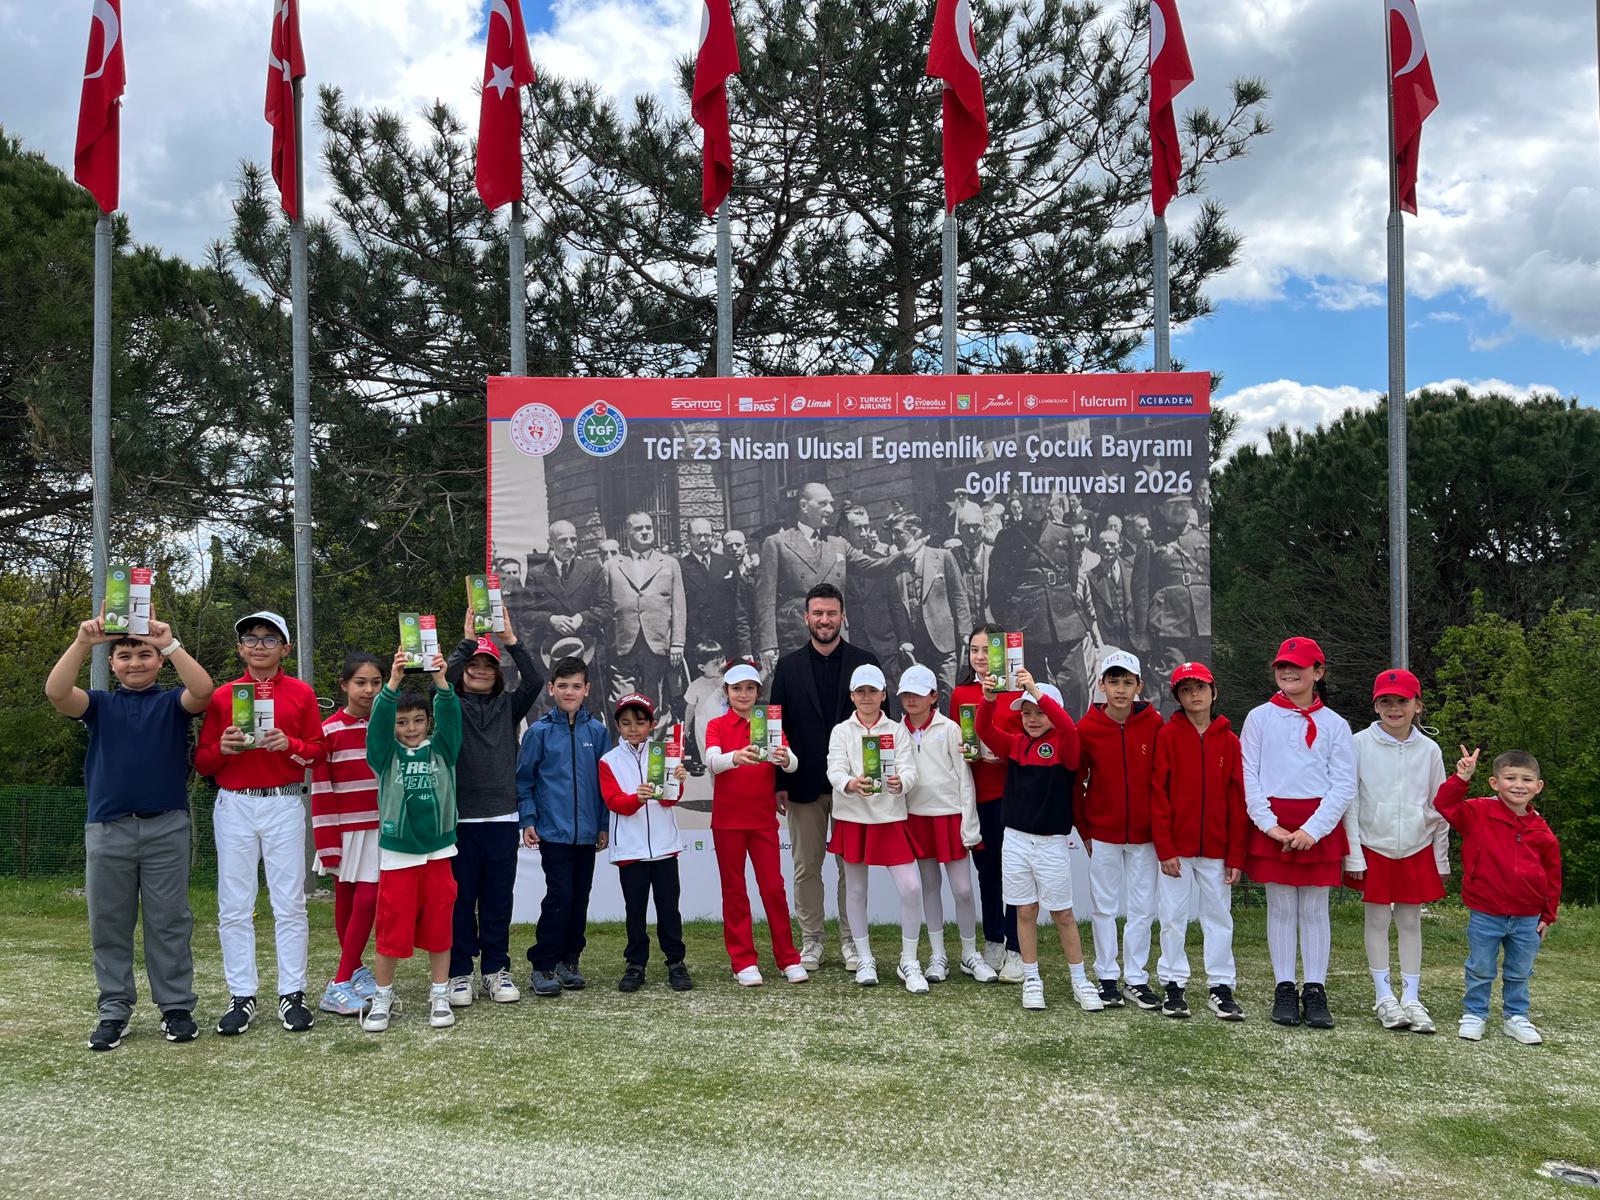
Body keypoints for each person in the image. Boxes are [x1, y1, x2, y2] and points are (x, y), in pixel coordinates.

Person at [46, 604, 214, 1050]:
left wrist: (170, 642)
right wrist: (84, 642)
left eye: (144, 655)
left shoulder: (171, 703)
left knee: (169, 923)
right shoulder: (99, 705)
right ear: (112, 664)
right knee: (109, 924)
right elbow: (57, 692)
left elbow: (203, 691)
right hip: (108, 829)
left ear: (159, 661)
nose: (135, 663)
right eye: (124, 656)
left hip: (166, 829)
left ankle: (176, 1007)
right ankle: (114, 1010)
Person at [194, 611, 325, 1037]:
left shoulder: (301, 693)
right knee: (234, 905)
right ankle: (242, 995)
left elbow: (316, 754)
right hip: (235, 804)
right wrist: (224, 749)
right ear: (240, 649)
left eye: (270, 639)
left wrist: (291, 745)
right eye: (250, 638)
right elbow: (204, 762)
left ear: (286, 648)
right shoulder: (224, 696)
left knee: (290, 903)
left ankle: (292, 993)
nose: (259, 646)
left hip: (284, 802)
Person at [1240, 636, 1356, 1030]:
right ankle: (1285, 987)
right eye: (1282, 666)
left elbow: (1344, 785)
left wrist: (1313, 830)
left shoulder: (1335, 724)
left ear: (1318, 672)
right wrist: (1268, 824)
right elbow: (1249, 776)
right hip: (1273, 823)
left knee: (1314, 909)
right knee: (1281, 907)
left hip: (1317, 824)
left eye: (1298, 666)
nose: (1288, 672)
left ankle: (1316, 990)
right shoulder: (1259, 717)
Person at [976, 667, 1103, 1013]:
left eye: (1040, 712)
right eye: (1027, 713)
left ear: (1053, 711)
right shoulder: (1015, 744)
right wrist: (988, 699)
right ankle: (1032, 978)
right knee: (1025, 910)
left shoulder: (1066, 746)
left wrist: (1036, 691)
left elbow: (1069, 729)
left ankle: (1080, 980)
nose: (1032, 719)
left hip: (1051, 843)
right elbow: (984, 730)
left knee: (1063, 914)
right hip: (1016, 841)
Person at [768, 583, 882, 970]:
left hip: (854, 785)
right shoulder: (788, 666)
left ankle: (852, 940)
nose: (824, 620)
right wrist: (779, 782)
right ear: (806, 618)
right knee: (806, 868)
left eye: (831, 613)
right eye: (817, 613)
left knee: (852, 868)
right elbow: (777, 729)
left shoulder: (866, 663)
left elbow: (883, 723)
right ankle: (812, 941)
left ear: (842, 617)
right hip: (803, 785)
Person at [358, 648, 462, 1032]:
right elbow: (377, 727)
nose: (412, 728)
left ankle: (440, 994)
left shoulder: (443, 750)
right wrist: (393, 683)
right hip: (398, 855)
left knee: (439, 928)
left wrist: (440, 680)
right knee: (391, 930)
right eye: (403, 722)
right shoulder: (384, 755)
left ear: (429, 722)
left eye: (419, 720)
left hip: (439, 853)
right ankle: (383, 997)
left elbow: (451, 718)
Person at [443, 609, 543, 1009]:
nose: (481, 670)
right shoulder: (449, 704)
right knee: (460, 899)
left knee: (497, 899)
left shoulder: (507, 706)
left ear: (497, 672)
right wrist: (468, 640)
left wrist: (510, 639)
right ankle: (459, 971)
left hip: (503, 817)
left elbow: (534, 681)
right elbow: (443, 681)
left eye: (488, 664)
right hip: (460, 818)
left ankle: (496, 968)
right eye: (474, 664)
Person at [1343, 668, 1449, 1034]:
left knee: (1410, 921)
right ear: (1375, 706)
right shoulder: (1358, 743)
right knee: (1376, 920)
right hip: (1374, 845)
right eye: (1385, 701)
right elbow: (1351, 802)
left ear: (1418, 705)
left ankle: (1412, 998)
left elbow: (1440, 806)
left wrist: (1440, 857)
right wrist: (1353, 853)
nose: (1394, 708)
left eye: (1402, 701)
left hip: (1416, 847)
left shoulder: (1430, 750)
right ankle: (1384, 997)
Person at [1434, 747, 1562, 1045]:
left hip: (1528, 916)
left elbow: (1552, 876)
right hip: (1486, 911)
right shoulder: (1478, 812)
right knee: (1480, 967)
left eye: (1526, 779)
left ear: (1538, 786)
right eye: (1510, 778)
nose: (1519, 785)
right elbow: (1444, 804)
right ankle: (1474, 1014)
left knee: (1520, 970)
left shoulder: (1541, 830)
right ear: (1495, 783)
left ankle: (1516, 1017)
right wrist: (1462, 777)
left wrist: (1548, 915)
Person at [1150, 661, 1248, 1021]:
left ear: (1213, 692)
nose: (1195, 695)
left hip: (1217, 850)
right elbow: (1158, 794)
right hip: (1177, 850)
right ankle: (1173, 984)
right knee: (1173, 916)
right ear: (1177, 697)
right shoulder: (1168, 736)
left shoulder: (1229, 740)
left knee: (1218, 916)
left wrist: (1235, 854)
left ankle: (1220, 987)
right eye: (1186, 690)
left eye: (1200, 688)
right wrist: (1165, 848)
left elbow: (1237, 800)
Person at [705, 662, 808, 985]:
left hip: (763, 821)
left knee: (773, 889)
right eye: (737, 689)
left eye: (750, 688)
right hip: (727, 822)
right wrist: (735, 757)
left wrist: (785, 758)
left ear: (758, 692)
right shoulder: (717, 724)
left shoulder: (770, 722)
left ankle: (788, 958)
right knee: (735, 891)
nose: (743, 694)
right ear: (727, 692)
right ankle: (743, 961)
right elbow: (712, 761)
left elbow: (792, 763)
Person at [825, 664, 926, 993]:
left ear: (884, 695)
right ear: (852, 696)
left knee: (911, 888)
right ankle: (865, 958)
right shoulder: (841, 731)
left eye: (873, 691)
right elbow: (834, 769)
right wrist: (849, 783)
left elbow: (910, 770)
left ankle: (908, 961)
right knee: (855, 891)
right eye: (861, 691)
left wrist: (901, 782)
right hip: (853, 819)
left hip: (890, 818)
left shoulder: (897, 730)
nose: (866, 697)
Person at [1075, 650, 1165, 1011]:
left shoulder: (1155, 724)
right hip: (1103, 833)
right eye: (1114, 681)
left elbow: (1163, 780)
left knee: (1142, 908)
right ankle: (1107, 977)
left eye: (1128, 682)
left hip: (1145, 836)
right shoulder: (1087, 728)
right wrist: (1085, 830)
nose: (1121, 689)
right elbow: (1076, 782)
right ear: (1102, 685)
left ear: (1139, 686)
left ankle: (1136, 979)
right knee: (1104, 908)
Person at [517, 655, 611, 996]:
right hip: (553, 832)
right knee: (560, 896)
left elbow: (606, 783)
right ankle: (542, 964)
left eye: (576, 686)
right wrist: (528, 819)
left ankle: (569, 961)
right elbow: (524, 780)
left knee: (579, 898)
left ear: (587, 689)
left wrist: (603, 824)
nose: (569, 692)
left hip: (586, 834)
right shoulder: (539, 732)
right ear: (551, 688)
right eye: (563, 686)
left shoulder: (598, 732)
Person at [896, 664, 996, 983]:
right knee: (930, 887)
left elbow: (966, 779)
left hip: (951, 817)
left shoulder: (951, 729)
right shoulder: (895, 733)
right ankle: (938, 954)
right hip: (917, 819)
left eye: (918, 693)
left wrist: (969, 824)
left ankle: (969, 953)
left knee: (963, 889)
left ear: (933, 696)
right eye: (906, 694)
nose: (911, 700)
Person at [598, 692, 692, 993]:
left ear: (652, 724)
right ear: (617, 726)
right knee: (635, 911)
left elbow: (670, 800)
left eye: (640, 722)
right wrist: (635, 799)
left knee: (669, 909)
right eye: (626, 723)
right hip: (631, 851)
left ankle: (676, 962)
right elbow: (614, 802)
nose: (633, 728)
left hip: (664, 849)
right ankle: (635, 964)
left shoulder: (664, 754)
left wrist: (678, 779)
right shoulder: (609, 761)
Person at [756, 482, 904, 666]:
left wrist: (905, 555)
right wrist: (768, 645)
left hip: (836, 636)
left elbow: (872, 565)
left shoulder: (837, 543)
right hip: (797, 639)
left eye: (831, 504)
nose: (830, 510)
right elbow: (765, 600)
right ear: (804, 506)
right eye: (823, 504)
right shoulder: (777, 543)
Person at [311, 652, 385, 1017]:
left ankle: (352, 971)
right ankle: (340, 982)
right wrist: (327, 841)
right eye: (361, 682)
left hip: (379, 829)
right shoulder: (328, 731)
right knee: (349, 898)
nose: (368, 690)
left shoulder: (388, 725)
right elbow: (322, 790)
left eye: (376, 683)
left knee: (366, 899)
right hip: (344, 831)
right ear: (344, 685)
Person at [950, 624, 1024, 981]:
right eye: (974, 650)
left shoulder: (1018, 690)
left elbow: (1031, 739)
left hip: (1015, 796)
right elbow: (956, 742)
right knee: (988, 873)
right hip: (979, 797)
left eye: (987, 650)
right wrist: (964, 751)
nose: (980, 657)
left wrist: (1005, 752)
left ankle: (1016, 948)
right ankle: (994, 940)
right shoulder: (960, 693)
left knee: (1015, 874)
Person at [988, 492, 1098, 716]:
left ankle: (1072, 733)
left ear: (1050, 500)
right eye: (1031, 497)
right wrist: (1013, 623)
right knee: (1032, 691)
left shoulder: (1064, 533)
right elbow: (996, 590)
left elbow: (1071, 578)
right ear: (1020, 500)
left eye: (1043, 497)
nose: (1038, 502)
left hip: (1064, 621)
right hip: (1027, 625)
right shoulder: (1007, 538)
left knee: (1076, 685)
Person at [603, 510, 686, 712]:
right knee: (623, 702)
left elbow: (678, 606)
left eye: (649, 527)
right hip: (624, 644)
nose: (645, 532)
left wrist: (677, 642)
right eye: (639, 528)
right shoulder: (612, 566)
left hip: (657, 643)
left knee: (655, 702)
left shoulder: (669, 563)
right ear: (627, 532)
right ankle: (629, 734)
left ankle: (656, 734)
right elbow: (604, 606)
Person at [524, 520, 611, 703]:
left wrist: (582, 618)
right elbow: (526, 614)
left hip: (587, 651)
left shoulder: (592, 570)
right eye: (563, 540)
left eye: (573, 539)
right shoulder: (536, 574)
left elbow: (606, 608)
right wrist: (551, 619)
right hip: (552, 654)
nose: (570, 545)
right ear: (551, 543)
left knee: (589, 707)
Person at [887, 512, 970, 694]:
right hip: (916, 647)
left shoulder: (943, 557)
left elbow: (959, 595)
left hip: (943, 642)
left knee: (949, 692)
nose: (893, 538)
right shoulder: (895, 566)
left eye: (898, 532)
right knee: (923, 695)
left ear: (915, 533)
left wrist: (965, 632)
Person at [840, 504, 913, 682]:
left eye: (866, 527)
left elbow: (895, 605)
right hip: (853, 649)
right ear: (843, 529)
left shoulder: (881, 561)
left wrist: (904, 640)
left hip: (886, 648)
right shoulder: (837, 566)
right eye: (857, 528)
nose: (864, 533)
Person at [679, 518, 739, 663]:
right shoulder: (680, 566)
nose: (702, 540)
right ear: (688, 538)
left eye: (706, 535)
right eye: (697, 536)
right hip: (696, 639)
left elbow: (737, 602)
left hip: (725, 636)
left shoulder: (728, 562)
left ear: (713, 536)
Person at [681, 641, 729, 762]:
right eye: (716, 663)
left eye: (723, 660)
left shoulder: (727, 681)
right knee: (710, 759)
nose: (721, 665)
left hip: (726, 726)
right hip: (705, 729)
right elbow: (690, 708)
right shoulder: (696, 686)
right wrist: (686, 727)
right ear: (702, 667)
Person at [948, 501, 992, 625]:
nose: (972, 531)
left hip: (992, 627)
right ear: (959, 530)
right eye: (966, 527)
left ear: (984, 527)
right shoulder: (951, 557)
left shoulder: (995, 554)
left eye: (976, 526)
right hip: (964, 629)